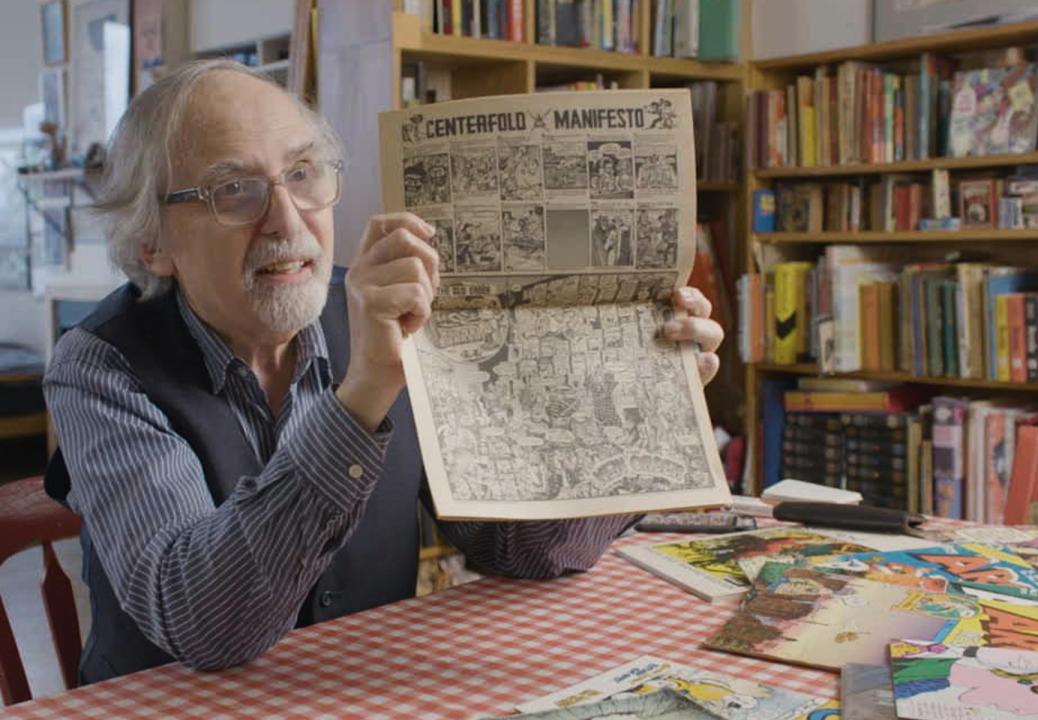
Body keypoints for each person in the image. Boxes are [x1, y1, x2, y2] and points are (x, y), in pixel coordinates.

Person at [42, 59, 725, 683]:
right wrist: (363, 393)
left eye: (304, 173)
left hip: (366, 697)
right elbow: (204, 623)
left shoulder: (390, 312)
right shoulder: (99, 364)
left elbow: (518, 547)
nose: (287, 220)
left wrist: (649, 411)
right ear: (152, 242)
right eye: (234, 190)